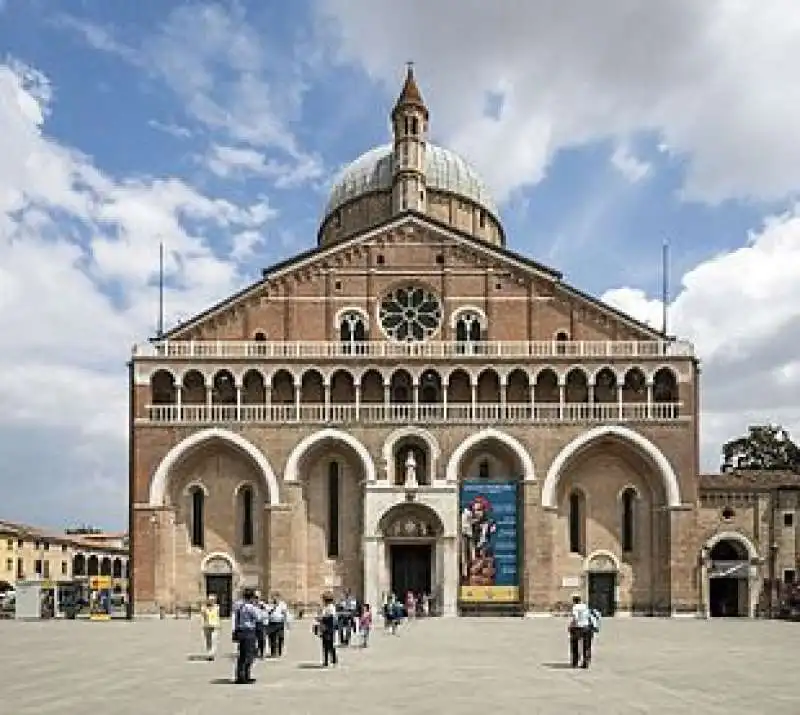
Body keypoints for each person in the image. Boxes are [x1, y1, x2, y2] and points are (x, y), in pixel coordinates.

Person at [231, 588, 265, 684]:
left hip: (241, 631)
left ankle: (241, 675)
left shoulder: (239, 605)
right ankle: (244, 676)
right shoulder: (250, 607)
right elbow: (259, 617)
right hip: (249, 631)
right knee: (249, 655)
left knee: (242, 655)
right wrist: (260, 608)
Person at [567, 593, 594, 669]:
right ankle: (586, 663)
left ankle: (575, 663)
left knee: (575, 645)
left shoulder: (575, 607)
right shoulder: (585, 606)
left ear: (574, 600)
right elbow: (589, 616)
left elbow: (575, 618)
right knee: (586, 646)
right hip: (587, 627)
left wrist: (570, 626)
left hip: (578, 628)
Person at [316, 593, 338, 667]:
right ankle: (325, 661)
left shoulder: (331, 607)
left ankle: (334, 660)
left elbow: (330, 618)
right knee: (325, 645)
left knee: (330, 645)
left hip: (329, 628)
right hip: (325, 627)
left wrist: (321, 618)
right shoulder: (325, 607)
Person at [200, 594, 220, 660]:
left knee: (213, 640)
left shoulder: (217, 607)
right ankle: (209, 653)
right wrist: (202, 624)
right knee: (208, 641)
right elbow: (202, 617)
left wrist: (218, 624)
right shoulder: (204, 608)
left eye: (213, 600)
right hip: (207, 626)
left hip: (214, 626)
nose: (211, 601)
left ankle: (212, 654)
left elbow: (217, 617)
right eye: (210, 600)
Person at [267, 593, 288, 657]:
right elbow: (268, 612)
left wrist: (286, 622)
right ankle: (273, 652)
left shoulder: (283, 604)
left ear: (279, 598)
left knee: (280, 637)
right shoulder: (270, 604)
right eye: (274, 598)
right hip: (272, 623)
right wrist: (274, 606)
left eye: (276, 598)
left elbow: (284, 613)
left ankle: (279, 651)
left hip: (280, 622)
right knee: (272, 638)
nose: (275, 599)